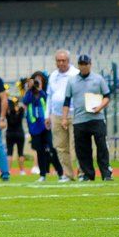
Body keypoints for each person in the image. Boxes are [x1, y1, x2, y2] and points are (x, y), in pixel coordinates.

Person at [63, 54, 113, 182]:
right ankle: (88, 174)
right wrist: (64, 118)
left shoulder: (98, 79)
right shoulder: (72, 81)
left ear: (90, 64)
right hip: (79, 120)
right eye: (81, 64)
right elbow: (67, 101)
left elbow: (107, 96)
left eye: (86, 64)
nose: (84, 66)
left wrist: (100, 107)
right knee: (82, 149)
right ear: (78, 65)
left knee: (101, 146)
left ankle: (106, 173)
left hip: (97, 118)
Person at [23, 71, 64, 182]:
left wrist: (40, 89)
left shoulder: (46, 92)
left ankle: (60, 173)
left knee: (52, 148)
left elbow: (48, 101)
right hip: (34, 127)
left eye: (39, 80)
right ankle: (42, 174)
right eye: (35, 80)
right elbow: (25, 102)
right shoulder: (30, 94)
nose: (37, 82)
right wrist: (29, 89)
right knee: (39, 150)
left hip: (46, 125)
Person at [46, 49, 79, 181]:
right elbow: (50, 96)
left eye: (63, 60)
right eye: (58, 61)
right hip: (56, 115)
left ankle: (82, 172)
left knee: (76, 145)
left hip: (74, 113)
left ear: (68, 61)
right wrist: (47, 115)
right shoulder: (53, 75)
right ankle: (68, 174)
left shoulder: (76, 74)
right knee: (60, 146)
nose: (61, 63)